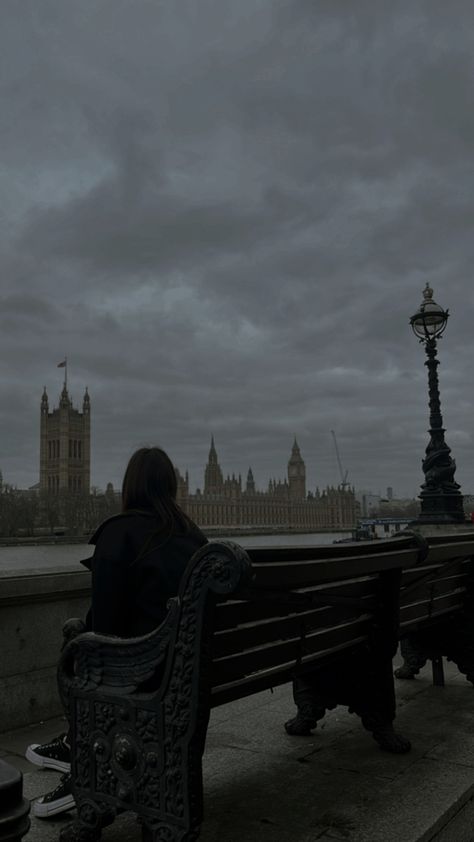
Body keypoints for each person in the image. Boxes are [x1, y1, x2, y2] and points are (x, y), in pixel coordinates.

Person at [26, 446, 207, 818]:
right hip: (195, 673)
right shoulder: (195, 538)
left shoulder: (119, 532)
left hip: (146, 675)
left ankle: (85, 764)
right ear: (171, 485)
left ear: (130, 487)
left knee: (79, 648)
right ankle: (73, 746)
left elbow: (105, 631)